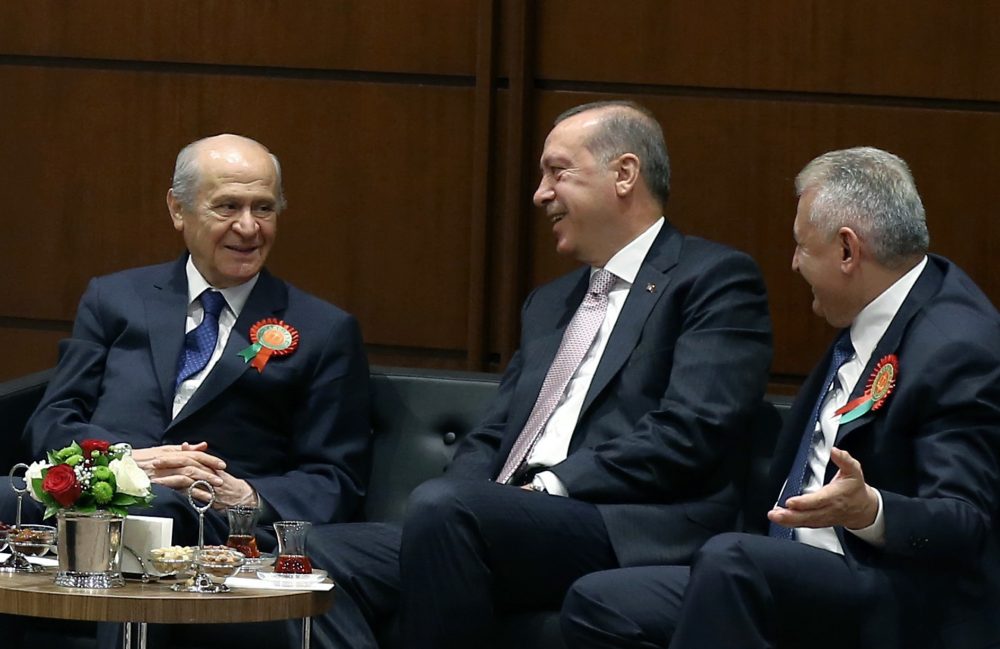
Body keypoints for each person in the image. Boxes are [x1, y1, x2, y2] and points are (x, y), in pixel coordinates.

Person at [559, 147, 1000, 649]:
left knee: (734, 563)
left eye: (800, 247)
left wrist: (869, 509)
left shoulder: (956, 347)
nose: (792, 264)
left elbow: (966, 521)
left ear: (847, 251)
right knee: (601, 604)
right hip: (790, 568)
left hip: (892, 587)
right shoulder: (880, 304)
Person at [395, 100, 773, 648]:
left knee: (443, 511)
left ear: (624, 174)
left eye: (557, 171)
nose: (540, 193)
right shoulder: (549, 303)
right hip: (497, 516)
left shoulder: (714, 279)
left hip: (622, 523)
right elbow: (496, 433)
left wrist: (551, 485)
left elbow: (691, 430)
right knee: (326, 557)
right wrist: (464, 497)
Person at [1, 134, 374, 649]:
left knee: (158, 512)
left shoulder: (323, 329)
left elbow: (335, 477)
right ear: (178, 209)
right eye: (228, 207)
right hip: (94, 495)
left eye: (263, 208)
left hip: (208, 522)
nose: (249, 227)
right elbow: (53, 418)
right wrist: (126, 464)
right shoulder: (115, 297)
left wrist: (243, 497)